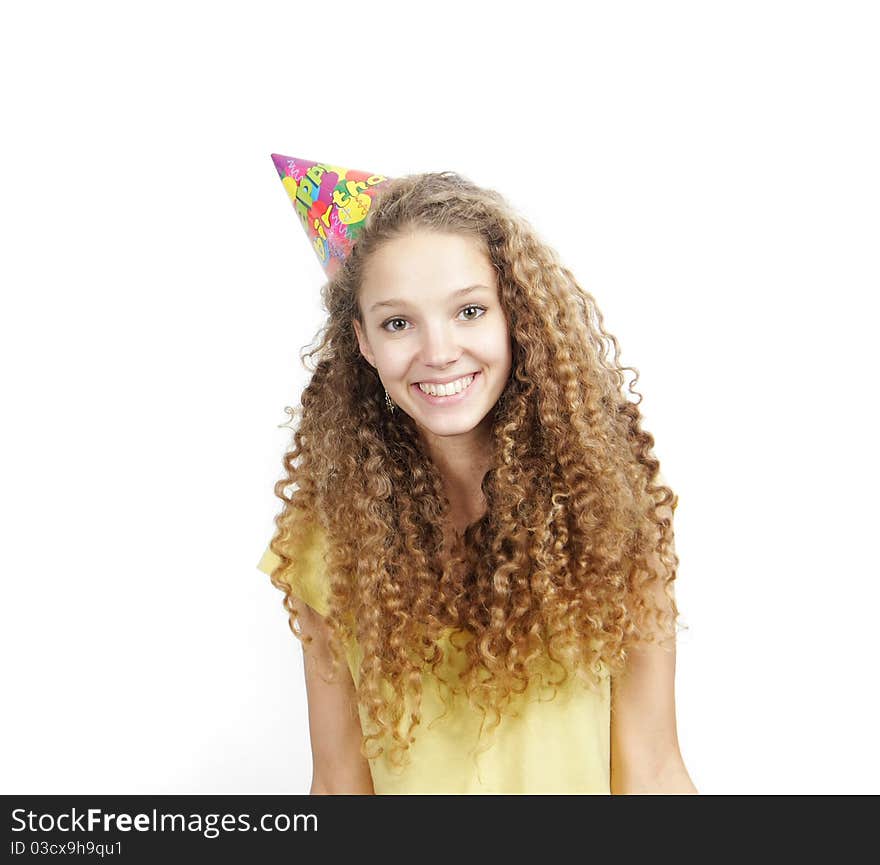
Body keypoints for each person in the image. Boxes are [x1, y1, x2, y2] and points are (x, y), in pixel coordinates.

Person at [257, 154, 698, 795]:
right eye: (399, 322)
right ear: (363, 341)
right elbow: (338, 787)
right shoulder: (326, 550)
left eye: (468, 311)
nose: (438, 352)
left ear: (514, 314)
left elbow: (654, 771)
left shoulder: (610, 516)